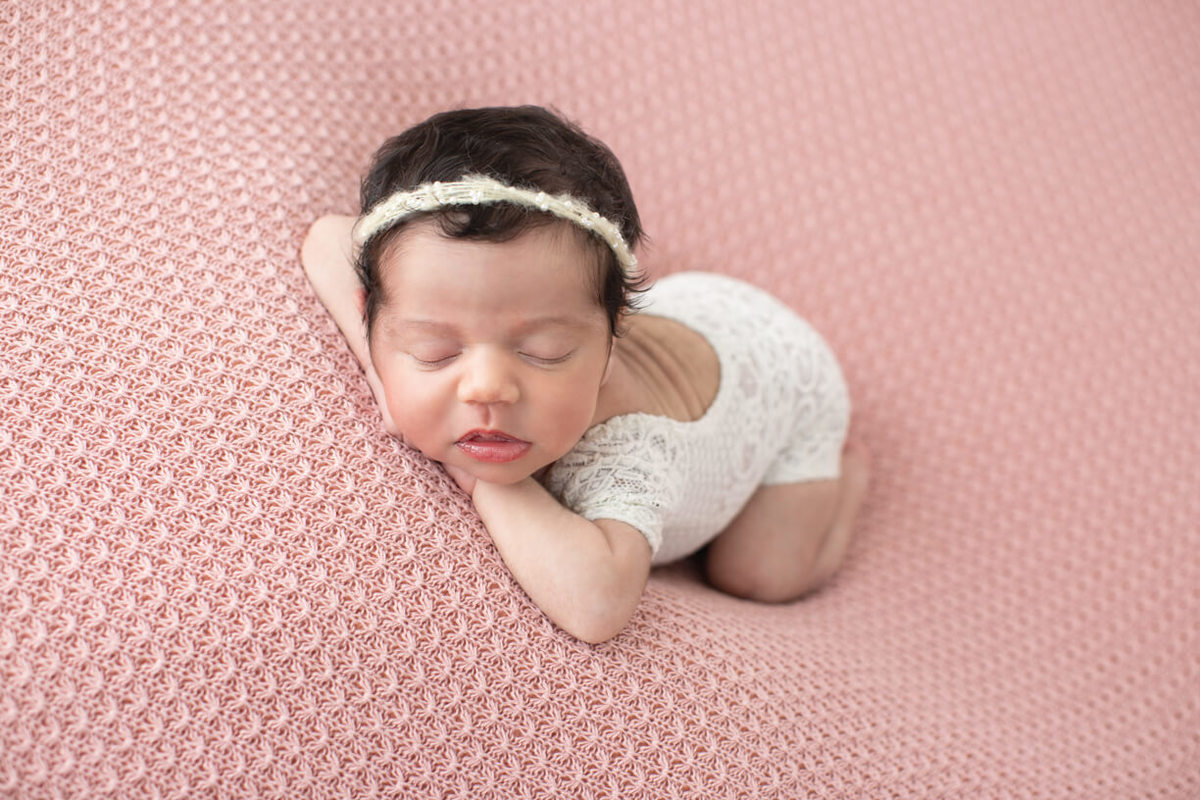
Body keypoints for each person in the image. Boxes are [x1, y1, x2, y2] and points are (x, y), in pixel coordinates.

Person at [300, 105, 869, 643]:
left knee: (760, 574)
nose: (487, 388)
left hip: (789, 381)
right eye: (435, 350)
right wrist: (387, 377)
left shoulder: (627, 453)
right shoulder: (423, 291)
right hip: (695, 308)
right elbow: (328, 237)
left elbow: (598, 605)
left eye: (545, 352)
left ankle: (846, 473)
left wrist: (485, 481)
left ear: (611, 337)